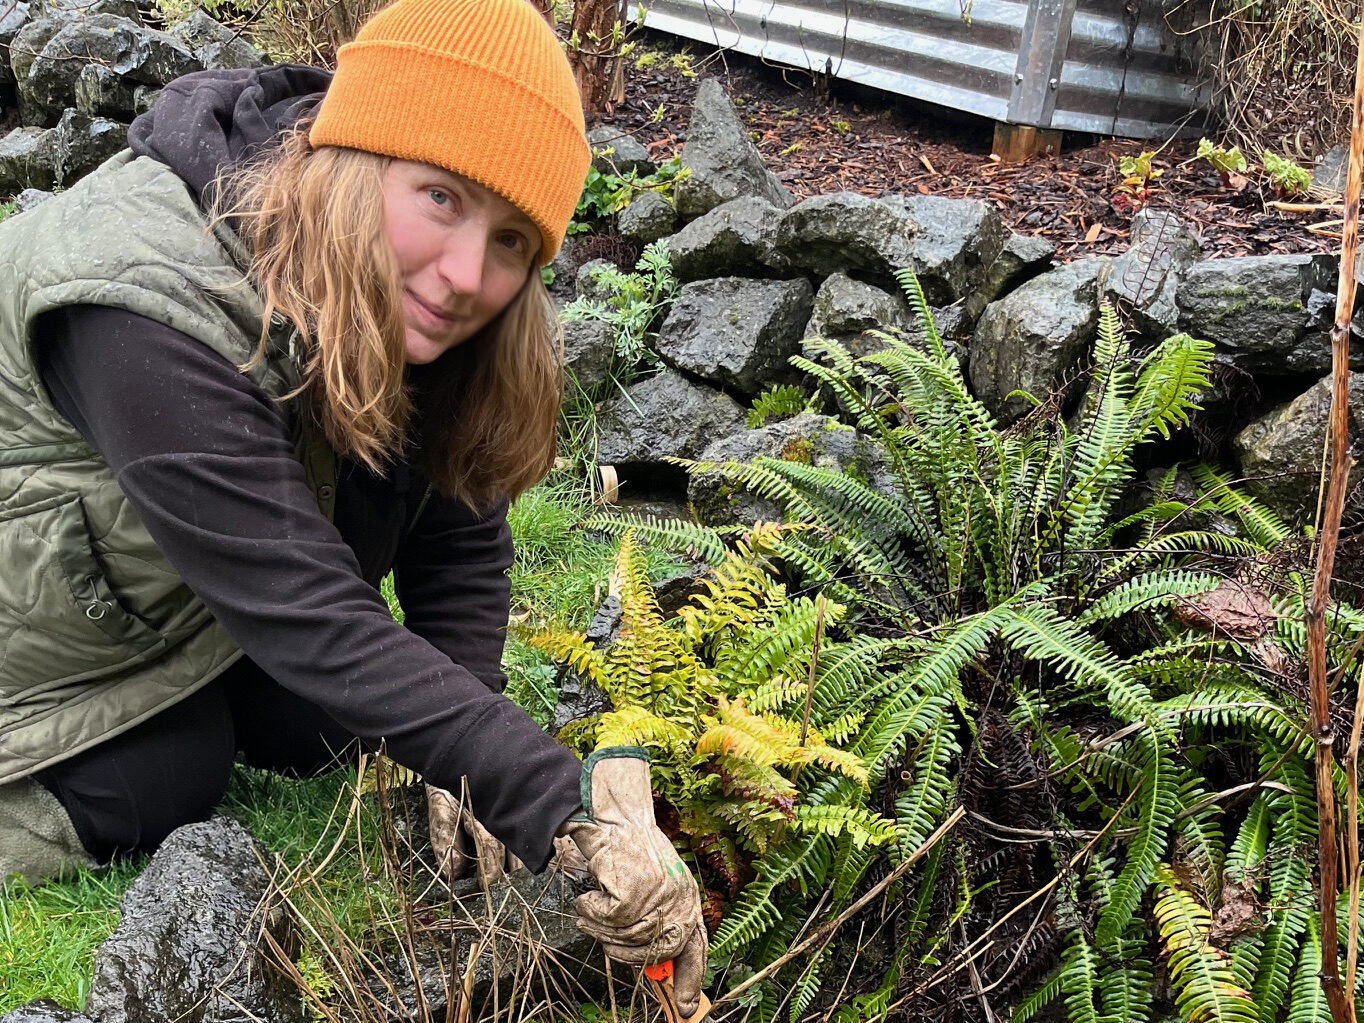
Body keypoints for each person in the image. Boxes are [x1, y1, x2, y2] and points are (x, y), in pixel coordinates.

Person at [0, 0, 706, 1013]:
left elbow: (458, 524)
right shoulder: (140, 302)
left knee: (328, 725)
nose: (468, 276)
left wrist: (460, 755)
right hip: (32, 607)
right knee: (164, 775)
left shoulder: (391, 286)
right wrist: (562, 809)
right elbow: (309, 610)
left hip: (165, 578)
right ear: (357, 154)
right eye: (439, 197)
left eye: (511, 240)